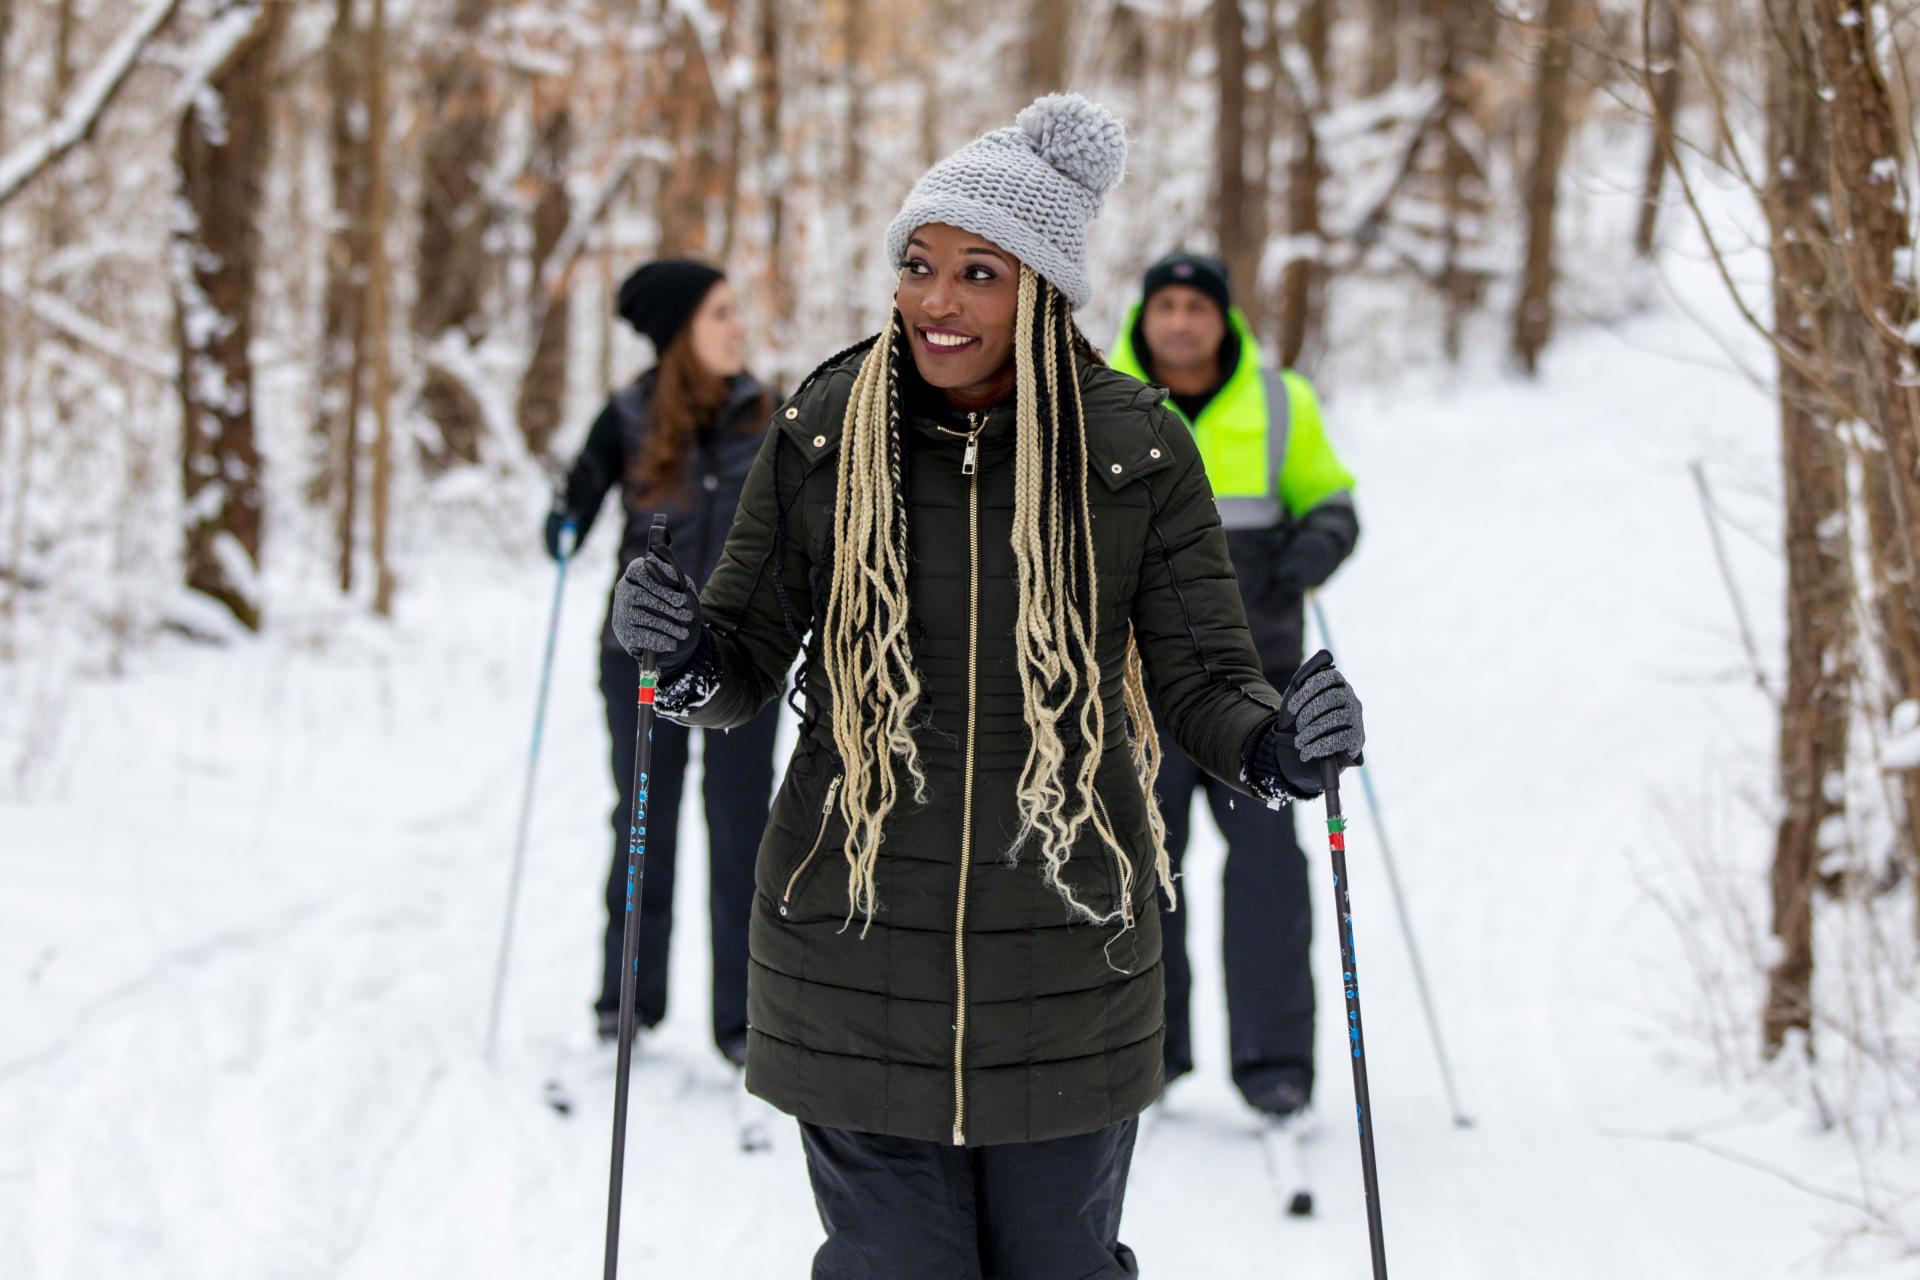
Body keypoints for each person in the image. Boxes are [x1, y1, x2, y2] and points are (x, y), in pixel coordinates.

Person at [610, 96, 1366, 1278]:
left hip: (1066, 958)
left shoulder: (1136, 449)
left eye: (978, 272)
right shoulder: (825, 429)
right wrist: (683, 653)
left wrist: (1280, 748)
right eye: (919, 265)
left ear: (1044, 291)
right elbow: (741, 661)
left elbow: (1207, 680)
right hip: (849, 947)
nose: (937, 301)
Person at [1108, 252, 1360, 1121]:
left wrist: (1320, 539)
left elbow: (1331, 496)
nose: (1180, 322)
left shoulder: (1281, 400)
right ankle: (1150, 1052)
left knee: (1266, 876)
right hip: (1135, 691)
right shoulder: (1098, 402)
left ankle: (1274, 1063)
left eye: (1196, 307)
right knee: (1141, 873)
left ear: (1224, 318)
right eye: (1165, 305)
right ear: (1146, 316)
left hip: (1260, 692)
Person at [545, 259, 778, 1065]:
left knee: (742, 831)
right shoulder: (628, 414)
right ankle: (628, 1002)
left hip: (742, 662)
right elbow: (572, 507)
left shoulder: (768, 414)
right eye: (721, 313)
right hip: (639, 658)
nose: (738, 326)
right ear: (682, 330)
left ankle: (744, 1023)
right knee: (644, 821)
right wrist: (566, 518)